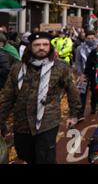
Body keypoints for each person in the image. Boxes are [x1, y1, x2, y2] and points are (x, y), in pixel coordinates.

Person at [0, 32, 81, 164]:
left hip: (47, 122)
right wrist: (1, 119)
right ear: (30, 47)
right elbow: (7, 96)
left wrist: (74, 114)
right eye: (37, 45)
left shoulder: (60, 67)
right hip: (22, 123)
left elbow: (72, 91)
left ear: (50, 47)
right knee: (25, 154)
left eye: (45, 44)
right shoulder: (17, 68)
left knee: (45, 157)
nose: (41, 47)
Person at [74, 30, 97, 121]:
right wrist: (80, 74)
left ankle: (93, 107)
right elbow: (78, 62)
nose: (90, 40)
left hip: (95, 74)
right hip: (84, 74)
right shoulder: (80, 48)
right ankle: (80, 113)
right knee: (82, 93)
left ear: (95, 38)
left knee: (95, 92)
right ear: (85, 38)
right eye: (88, 38)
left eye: (92, 38)